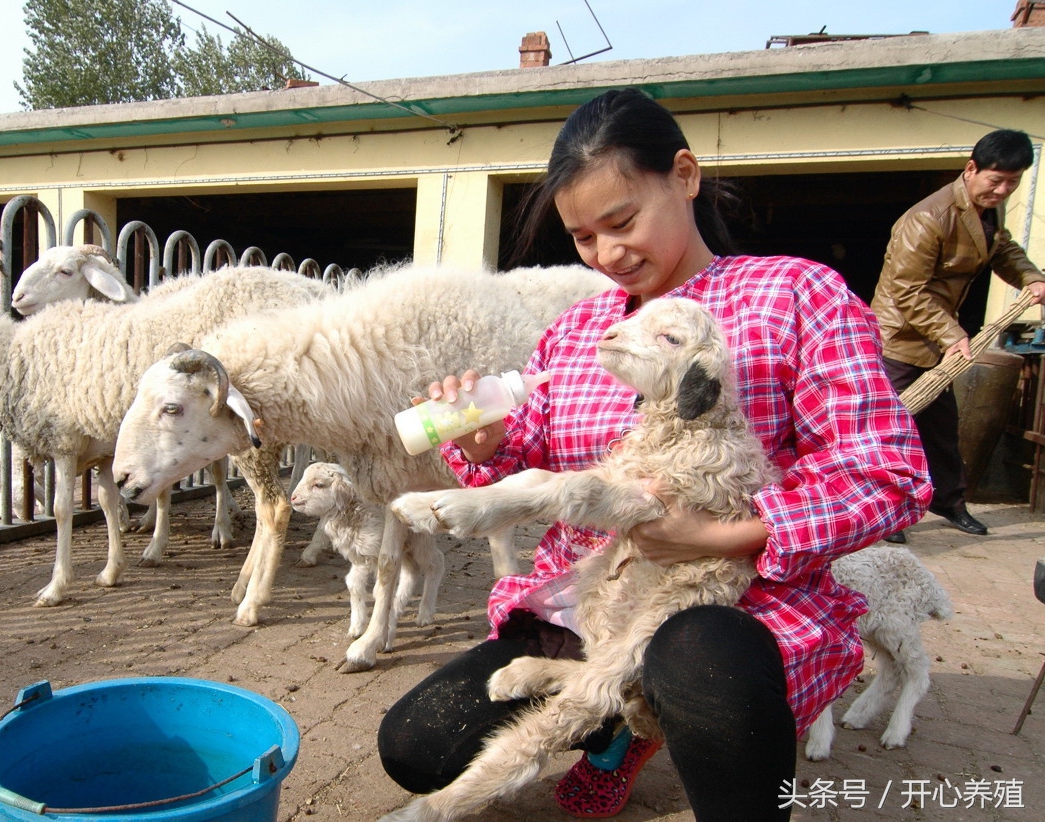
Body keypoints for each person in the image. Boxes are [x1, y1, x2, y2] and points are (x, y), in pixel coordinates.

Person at [376, 88, 931, 821]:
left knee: (699, 662)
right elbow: (530, 451)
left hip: (728, 602)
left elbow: (889, 474)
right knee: (415, 748)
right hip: (594, 594)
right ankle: (617, 720)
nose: (608, 254)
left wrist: (728, 534)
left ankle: (700, 745)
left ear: (685, 175)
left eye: (623, 221)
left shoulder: (795, 295)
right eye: (583, 238)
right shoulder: (577, 331)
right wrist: (487, 442)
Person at [871, 129, 1045, 544]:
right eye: (995, 180)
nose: (1003, 190)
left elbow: (1001, 250)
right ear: (971, 169)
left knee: (941, 430)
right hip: (899, 341)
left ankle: (949, 502)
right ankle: (886, 514)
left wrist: (1031, 278)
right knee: (889, 432)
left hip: (935, 342)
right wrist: (951, 334)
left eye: (1013, 183)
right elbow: (906, 291)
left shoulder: (986, 210)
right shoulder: (927, 218)